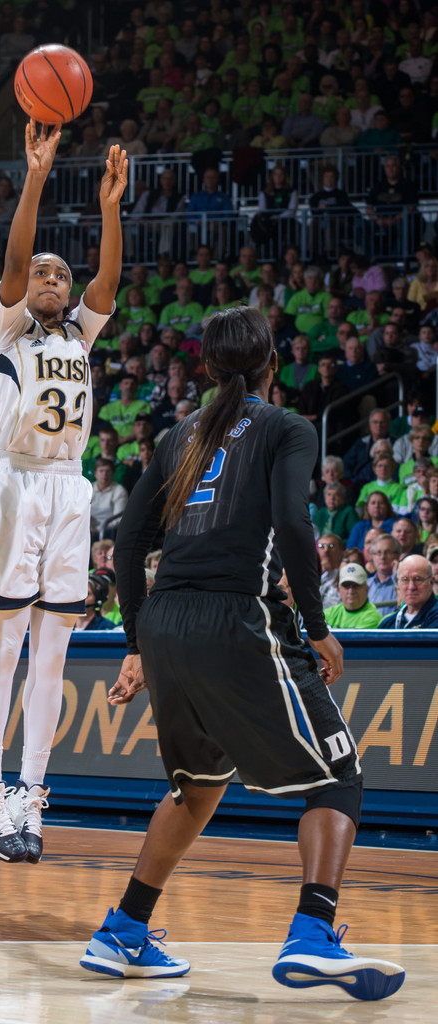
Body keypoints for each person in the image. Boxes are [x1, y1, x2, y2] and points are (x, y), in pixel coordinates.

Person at [80, 306, 405, 1000]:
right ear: (272, 365)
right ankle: (313, 934)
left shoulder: (175, 438)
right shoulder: (287, 428)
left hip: (166, 621)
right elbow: (291, 521)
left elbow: (128, 544)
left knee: (196, 783)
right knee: (337, 774)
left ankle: (122, 931)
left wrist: (135, 641)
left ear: (204, 368)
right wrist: (316, 625)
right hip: (237, 616)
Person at [0, 121, 127, 865]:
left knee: (53, 654)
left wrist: (109, 207)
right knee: (3, 648)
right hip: (12, 482)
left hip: (67, 488)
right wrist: (36, 176)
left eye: (60, 275)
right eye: (42, 274)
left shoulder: (80, 338)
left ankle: (31, 795)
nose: (52, 281)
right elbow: (11, 255)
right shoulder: (8, 330)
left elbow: (110, 285)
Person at [378, 554, 438, 628]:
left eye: (418, 579)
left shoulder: (435, 617)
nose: (411, 587)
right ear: (398, 583)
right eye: (405, 580)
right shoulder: (388, 623)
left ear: (431, 582)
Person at [324, 563, 382, 628]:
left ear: (366, 589)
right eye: (346, 586)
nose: (351, 591)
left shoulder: (373, 617)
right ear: (339, 590)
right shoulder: (330, 613)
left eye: (356, 586)